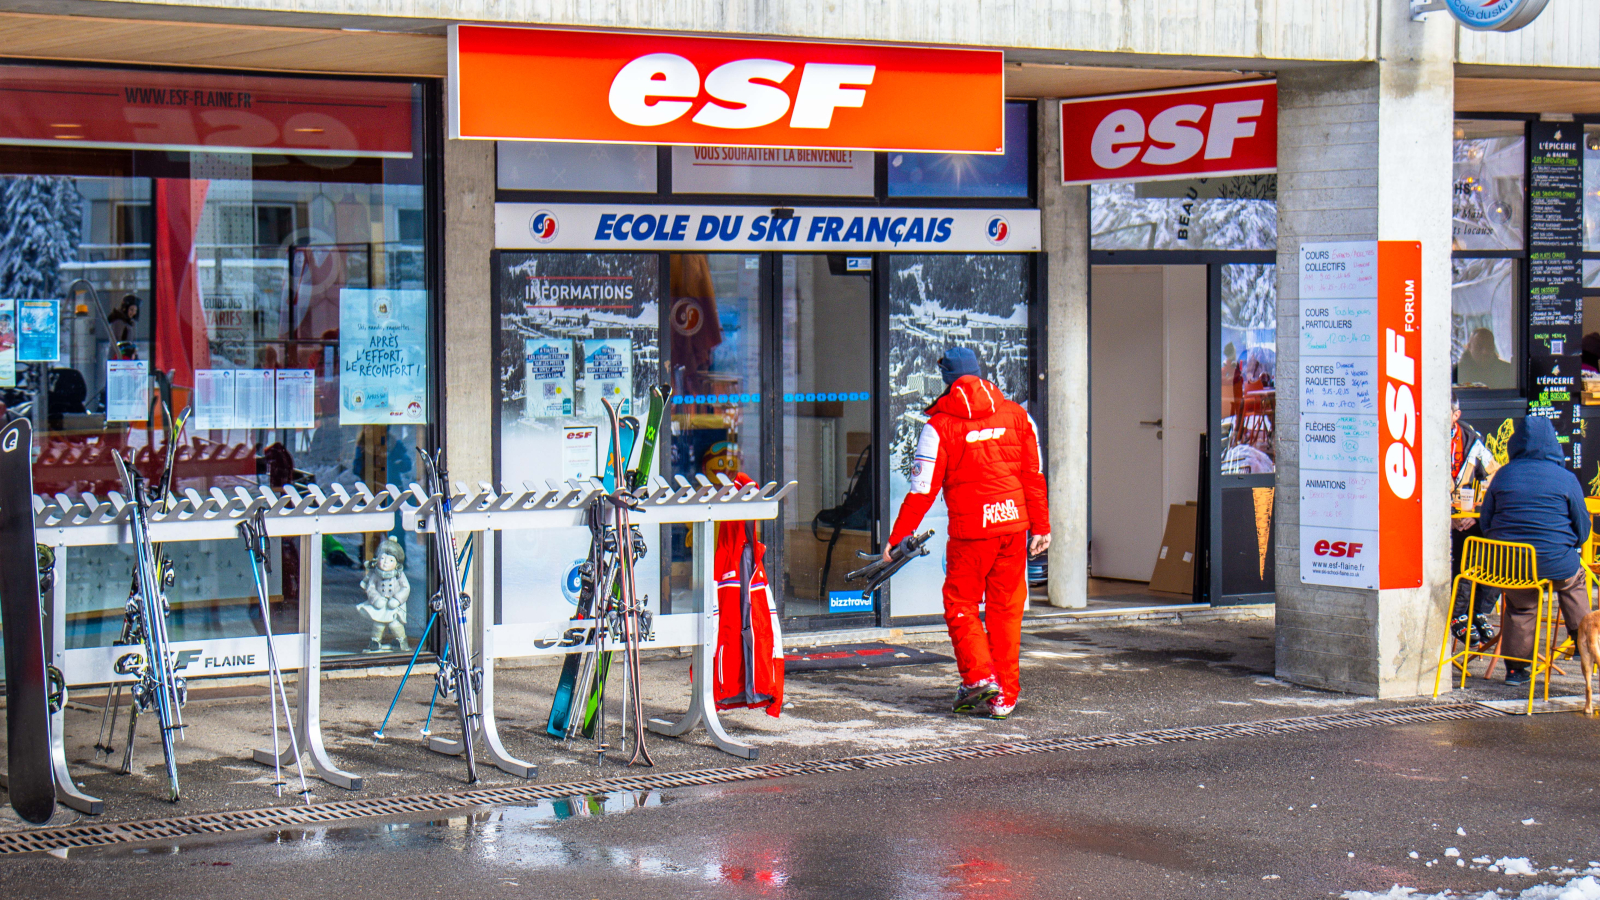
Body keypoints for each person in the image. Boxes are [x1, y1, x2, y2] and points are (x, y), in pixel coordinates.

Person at [883, 347, 1049, 719]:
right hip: (1013, 528)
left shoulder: (939, 426)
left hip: (973, 532)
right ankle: (1004, 695)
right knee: (1006, 610)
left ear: (947, 380)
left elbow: (922, 491)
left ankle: (978, 678)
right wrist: (1042, 526)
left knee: (961, 603)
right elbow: (1033, 476)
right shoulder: (1018, 416)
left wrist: (897, 539)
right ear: (979, 373)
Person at [1476, 416, 1591, 686]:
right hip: (1554, 561)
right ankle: (1584, 642)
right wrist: (1567, 543)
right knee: (1574, 581)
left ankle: (1516, 670)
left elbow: (1486, 521)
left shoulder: (1503, 474)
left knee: (1520, 604)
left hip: (1509, 564)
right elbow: (1583, 528)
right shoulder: (1566, 478)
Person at [1449, 394, 1500, 648]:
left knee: (1496, 540)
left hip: (1466, 515)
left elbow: (1495, 474)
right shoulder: (1420, 436)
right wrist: (1447, 518)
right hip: (1432, 520)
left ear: (1456, 415)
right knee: (1463, 546)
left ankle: (1479, 610)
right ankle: (1458, 614)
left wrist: (1473, 512)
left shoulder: (1471, 440)